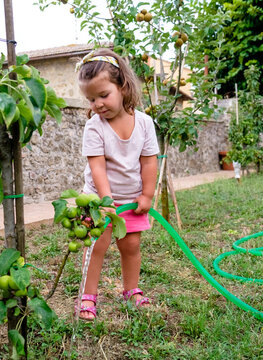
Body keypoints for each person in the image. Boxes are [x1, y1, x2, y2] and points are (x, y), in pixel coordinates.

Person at [75, 48, 159, 321]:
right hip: (99, 200)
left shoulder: (145, 123)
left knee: (131, 246)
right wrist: (106, 201)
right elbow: (97, 166)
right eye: (91, 99)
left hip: (131, 201)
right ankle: (87, 297)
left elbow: (148, 162)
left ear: (122, 86)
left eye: (103, 95)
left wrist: (147, 194)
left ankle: (131, 290)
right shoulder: (94, 127)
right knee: (96, 246)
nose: (97, 104)